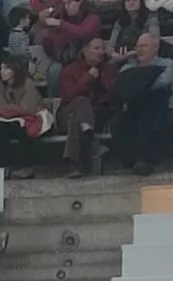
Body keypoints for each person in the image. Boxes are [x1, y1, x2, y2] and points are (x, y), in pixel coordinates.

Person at [56, 34, 118, 174]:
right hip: (67, 111)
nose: (100, 52)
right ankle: (89, 142)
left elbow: (112, 94)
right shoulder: (70, 70)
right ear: (85, 50)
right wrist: (87, 78)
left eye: (102, 48)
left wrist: (101, 80)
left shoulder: (109, 69)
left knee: (76, 119)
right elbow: (67, 97)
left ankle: (71, 161)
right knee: (81, 101)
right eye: (96, 48)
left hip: (96, 115)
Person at [113, 29, 172, 173]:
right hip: (132, 106)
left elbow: (163, 82)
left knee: (152, 113)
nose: (139, 50)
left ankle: (146, 161)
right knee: (120, 119)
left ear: (155, 48)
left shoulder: (168, 64)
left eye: (144, 46)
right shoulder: (127, 67)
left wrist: (137, 83)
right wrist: (143, 81)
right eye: (138, 46)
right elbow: (121, 87)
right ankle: (131, 159)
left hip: (160, 105)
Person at [0, 54, 49, 176]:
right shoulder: (0, 86)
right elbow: (0, 106)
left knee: (18, 126)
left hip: (30, 119)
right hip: (7, 120)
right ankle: (3, 167)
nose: (2, 72)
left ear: (15, 70)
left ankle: (26, 166)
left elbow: (27, 108)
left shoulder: (27, 84)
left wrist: (8, 110)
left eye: (5, 68)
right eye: (1, 68)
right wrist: (11, 110)